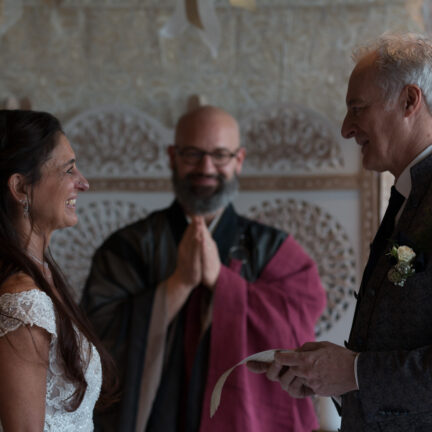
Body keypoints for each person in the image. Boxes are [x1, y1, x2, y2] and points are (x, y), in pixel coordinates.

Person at [81, 105, 326, 432]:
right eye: (192, 154)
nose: (206, 167)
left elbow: (298, 328)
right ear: (172, 156)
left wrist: (222, 283)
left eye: (220, 155)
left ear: (239, 160)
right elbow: (96, 345)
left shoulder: (272, 248)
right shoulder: (128, 247)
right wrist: (178, 285)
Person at [247, 33, 432, 431]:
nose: (347, 129)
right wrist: (327, 377)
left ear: (409, 102)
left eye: (357, 109)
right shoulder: (408, 194)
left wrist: (355, 373)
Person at [0, 109, 115, 431]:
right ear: (21, 188)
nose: (83, 183)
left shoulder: (41, 275)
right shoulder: (22, 303)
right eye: (68, 170)